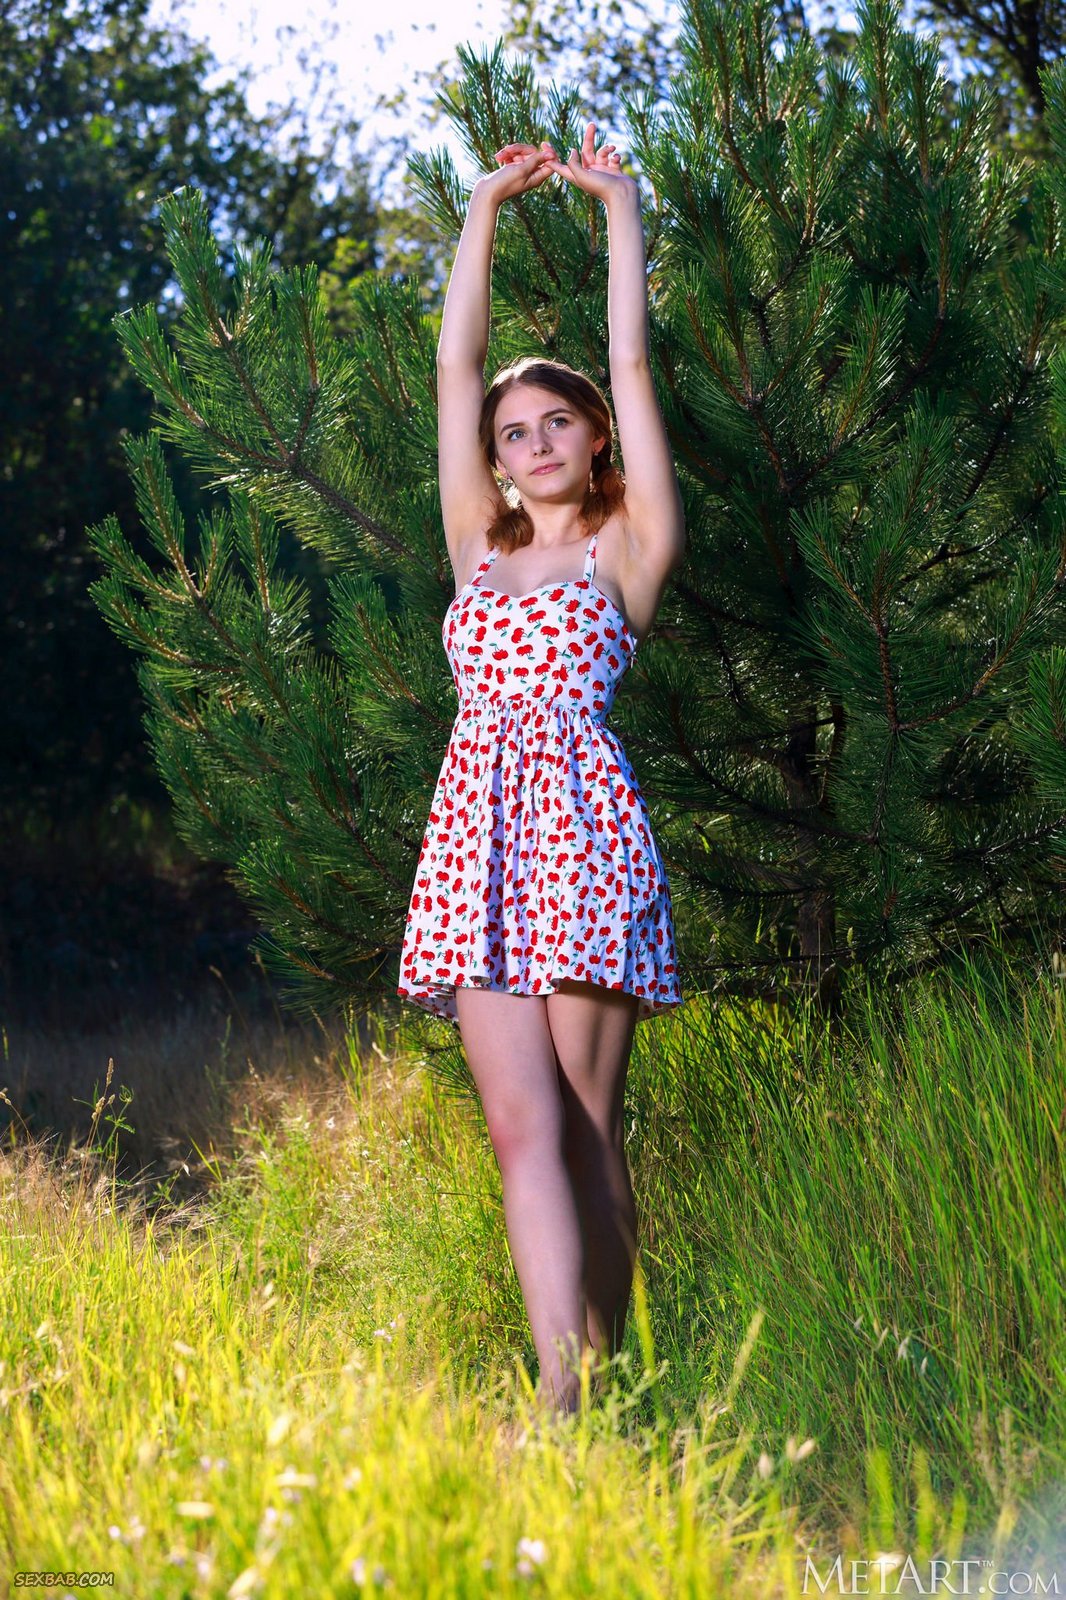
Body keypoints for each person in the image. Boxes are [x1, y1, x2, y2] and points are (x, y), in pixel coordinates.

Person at [397, 122, 686, 1418]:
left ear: (593, 437)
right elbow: (453, 368)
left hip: (585, 840)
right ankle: (564, 1410)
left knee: (582, 1125)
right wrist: (482, 211)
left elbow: (631, 359)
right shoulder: (477, 544)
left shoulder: (626, 545)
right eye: (513, 434)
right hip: (475, 842)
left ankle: (611, 1386)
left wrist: (618, 207)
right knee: (519, 1130)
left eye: (555, 422)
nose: (532, 443)